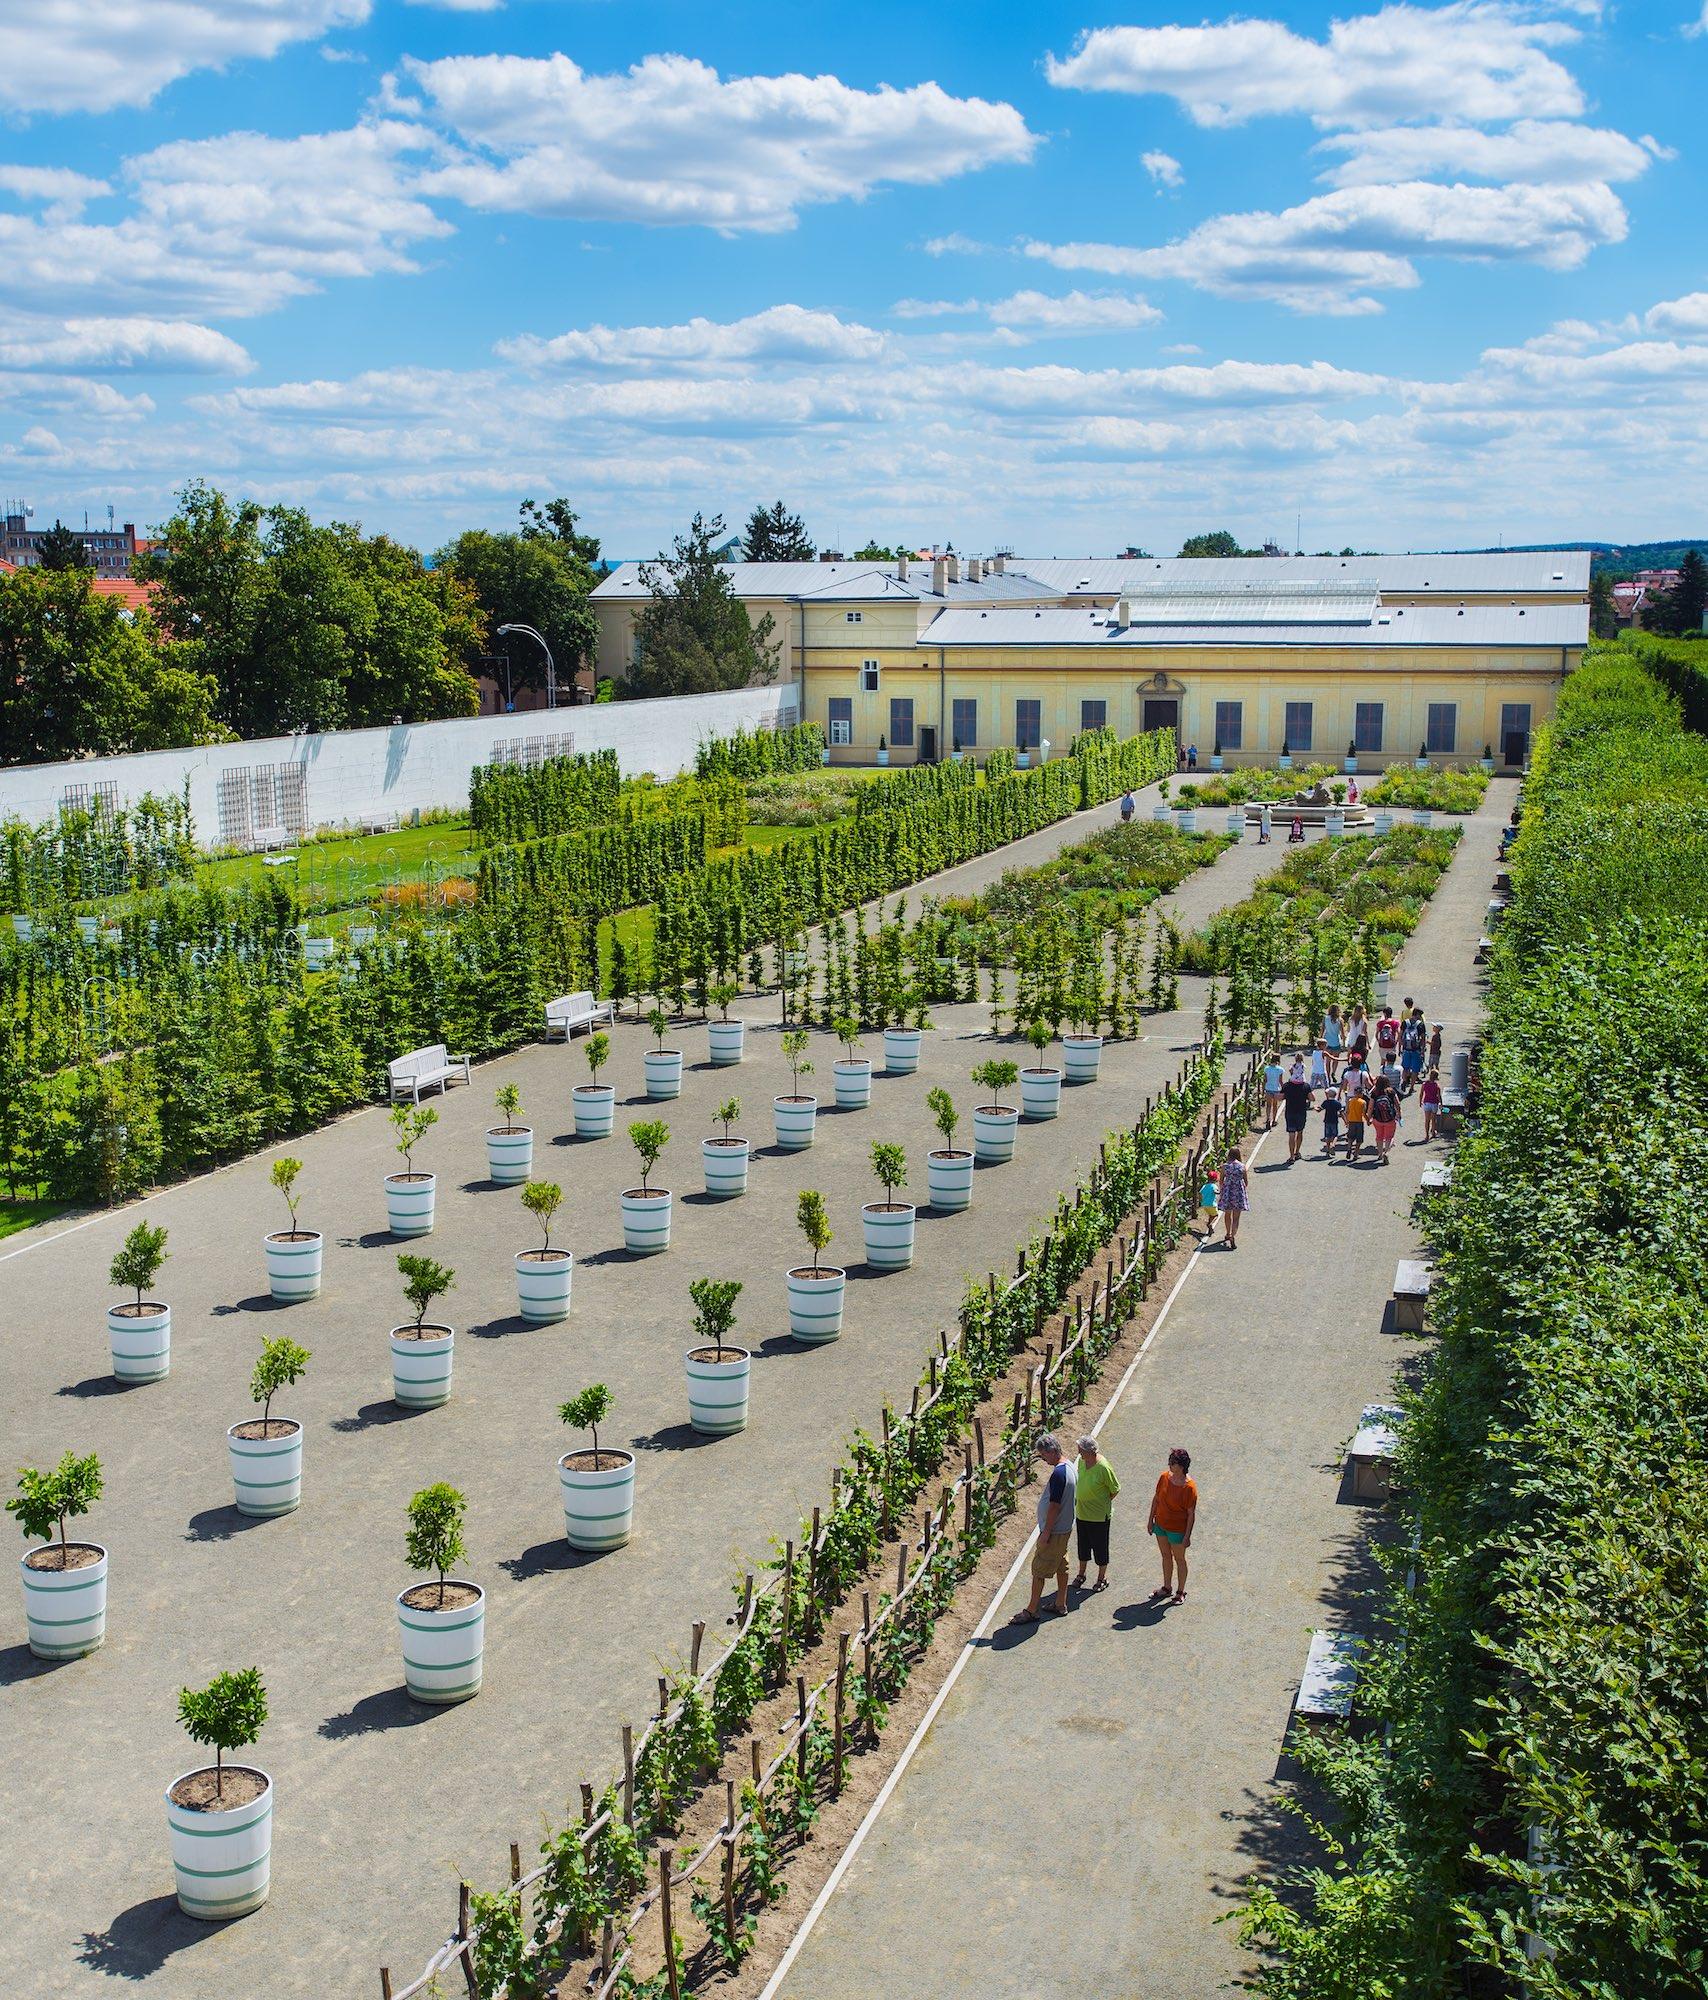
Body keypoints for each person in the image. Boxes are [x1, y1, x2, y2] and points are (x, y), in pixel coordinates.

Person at [1011, 1433, 1077, 1625]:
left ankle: (1032, 1610)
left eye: (1043, 1455)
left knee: (1039, 1569)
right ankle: (1060, 1603)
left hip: (1055, 1531)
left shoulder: (1058, 1474)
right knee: (1061, 1565)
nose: (1043, 1459)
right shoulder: (1070, 1466)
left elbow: (1054, 1506)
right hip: (1065, 1528)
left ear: (1051, 1451)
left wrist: (1046, 1532)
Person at [1147, 1448, 1198, 1605]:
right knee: (1165, 1556)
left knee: (1180, 1559)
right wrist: (1150, 1520)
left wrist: (1187, 1536)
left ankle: (1180, 1592)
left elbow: (1191, 1514)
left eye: (1173, 1462)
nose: (1169, 1464)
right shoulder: (1163, 1477)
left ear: (1181, 1466)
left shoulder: (1189, 1488)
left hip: (1177, 1530)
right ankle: (1167, 1588)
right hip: (1160, 1525)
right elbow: (1156, 1499)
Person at [1071, 1437, 1119, 1593]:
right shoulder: (1081, 1461)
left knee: (1100, 1548)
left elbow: (1115, 1489)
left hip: (1099, 1517)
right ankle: (1081, 1574)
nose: (1078, 1452)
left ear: (1090, 1451)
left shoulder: (1103, 1467)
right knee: (1083, 1547)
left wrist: (1102, 1502)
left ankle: (1101, 1578)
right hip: (1082, 1513)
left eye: (1081, 1450)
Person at [1280, 1063, 1314, 1163]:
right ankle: (1297, 1152)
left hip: (1290, 1112)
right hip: (1301, 1112)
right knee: (1300, 1132)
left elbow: (1280, 1097)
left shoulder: (1287, 1086)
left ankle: (1291, 1156)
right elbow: (1312, 1098)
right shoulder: (1305, 1086)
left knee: (1291, 1134)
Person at [1217, 1146, 1249, 1246]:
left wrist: (1223, 1190)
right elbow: (1246, 1182)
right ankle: (1233, 1235)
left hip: (1228, 1192)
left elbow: (1221, 1181)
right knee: (1236, 1217)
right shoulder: (1242, 1166)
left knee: (1227, 1214)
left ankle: (1228, 1233)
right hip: (1238, 1192)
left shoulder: (1225, 1166)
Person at [1369, 1075, 1401, 1162]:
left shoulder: (1375, 1092)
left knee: (1379, 1136)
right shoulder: (1391, 1091)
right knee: (1389, 1137)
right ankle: (1386, 1152)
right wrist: (1399, 1114)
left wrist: (1369, 1117)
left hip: (1377, 1119)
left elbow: (1371, 1107)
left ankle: (1379, 1154)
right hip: (1390, 1118)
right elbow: (1397, 1104)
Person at [1400, 1007, 1427, 1094]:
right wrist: (1422, 1050)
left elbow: (1400, 1035)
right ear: (1418, 1015)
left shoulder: (1405, 1022)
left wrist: (1400, 1047)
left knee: (1405, 1067)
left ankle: (1404, 1081)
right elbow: (1423, 1038)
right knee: (1415, 1069)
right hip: (1416, 1050)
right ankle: (1411, 1087)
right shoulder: (1420, 1025)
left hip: (1406, 1049)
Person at [1343, 1080, 1368, 1160]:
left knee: (1350, 1137)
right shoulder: (1363, 1102)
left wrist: (1346, 1121)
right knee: (1359, 1139)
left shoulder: (1350, 1101)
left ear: (1354, 1093)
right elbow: (1364, 1113)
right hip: (1359, 1121)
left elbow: (1347, 1111)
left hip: (1351, 1121)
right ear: (1361, 1094)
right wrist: (1368, 1120)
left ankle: (1349, 1148)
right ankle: (1356, 1154)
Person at [1419, 1065, 1443, 1141]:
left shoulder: (1424, 1084)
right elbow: (1439, 1096)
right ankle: (1433, 1132)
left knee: (1427, 1120)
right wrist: (1441, 1104)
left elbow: (1421, 1093)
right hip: (1434, 1103)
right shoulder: (1437, 1086)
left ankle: (1426, 1135)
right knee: (1433, 1119)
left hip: (1426, 1103)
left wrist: (1420, 1101)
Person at [1320, 1078, 1343, 1155]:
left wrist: (1316, 1107)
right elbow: (1341, 1112)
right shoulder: (1337, 1104)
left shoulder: (1325, 1102)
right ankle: (1333, 1144)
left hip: (1327, 1120)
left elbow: (1320, 1109)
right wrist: (1346, 1121)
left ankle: (1328, 1147)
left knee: (1327, 1135)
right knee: (1335, 1135)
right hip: (1334, 1120)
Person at [1262, 1051, 1283, 1130]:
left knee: (1268, 1105)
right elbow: (1280, 1081)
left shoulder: (1267, 1069)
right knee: (1275, 1105)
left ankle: (1268, 1119)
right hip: (1276, 1089)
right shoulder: (1280, 1069)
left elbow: (1265, 1080)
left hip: (1268, 1088)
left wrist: (1263, 1089)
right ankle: (1274, 1120)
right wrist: (1283, 1089)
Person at [1322, 1005, 1344, 1079]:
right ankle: (1333, 1072)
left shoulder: (1325, 1018)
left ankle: (1327, 1076)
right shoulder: (1340, 1020)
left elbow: (1322, 1030)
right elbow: (1342, 1033)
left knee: (1327, 1061)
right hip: (1336, 1042)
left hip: (1327, 1042)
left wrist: (1320, 1040)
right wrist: (1344, 1043)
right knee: (1335, 1059)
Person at [1197, 1167, 1220, 1240]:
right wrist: (1220, 1192)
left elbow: (1200, 1193)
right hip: (1212, 1204)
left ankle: (1210, 1228)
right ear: (1215, 1179)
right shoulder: (1214, 1186)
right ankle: (1209, 1224)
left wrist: (1201, 1201)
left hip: (1205, 1205)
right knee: (1216, 1215)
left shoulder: (1204, 1186)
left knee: (1211, 1215)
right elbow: (1216, 1191)